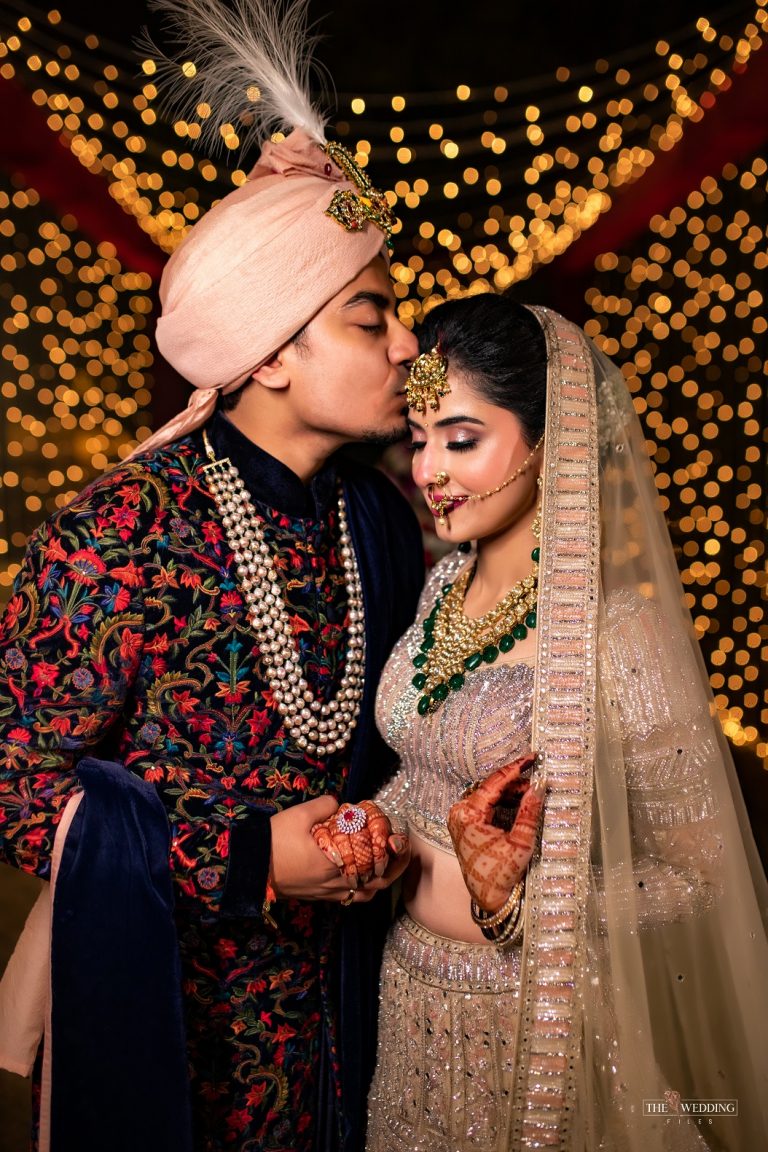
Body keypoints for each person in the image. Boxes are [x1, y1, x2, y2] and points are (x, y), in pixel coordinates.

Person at [0, 2, 423, 1150]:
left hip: (355, 1026)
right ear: (273, 352)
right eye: (373, 318)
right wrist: (247, 860)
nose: (407, 351)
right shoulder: (120, 529)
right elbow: (19, 791)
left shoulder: (380, 518)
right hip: (167, 1030)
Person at [360, 294, 768, 1151]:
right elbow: (427, 767)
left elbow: (700, 875)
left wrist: (523, 895)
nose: (429, 469)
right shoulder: (442, 591)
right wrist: (374, 824)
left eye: (462, 439)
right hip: (408, 1003)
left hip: (537, 1021)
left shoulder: (619, 639)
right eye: (422, 437)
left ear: (555, 441)